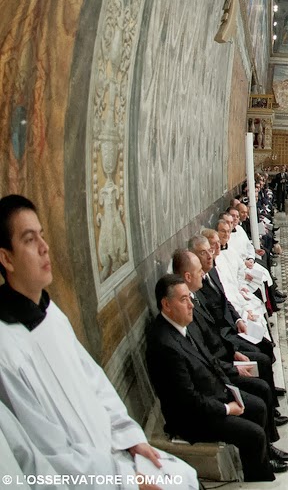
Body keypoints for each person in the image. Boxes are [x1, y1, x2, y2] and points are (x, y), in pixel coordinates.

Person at [0, 195, 199, 490]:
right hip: (88, 480)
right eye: (30, 240)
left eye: (42, 235)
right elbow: (48, 454)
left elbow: (95, 383)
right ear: (6, 258)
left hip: (114, 455)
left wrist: (130, 438)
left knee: (185, 477)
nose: (45, 247)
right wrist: (125, 481)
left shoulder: (51, 313)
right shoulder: (7, 349)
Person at [146, 275, 288, 480]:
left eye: (190, 298)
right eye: (183, 300)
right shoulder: (164, 345)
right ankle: (259, 477)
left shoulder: (185, 324)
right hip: (192, 417)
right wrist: (227, 408)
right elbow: (187, 400)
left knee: (258, 406)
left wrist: (230, 386)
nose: (191, 305)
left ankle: (265, 456)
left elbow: (209, 359)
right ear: (166, 304)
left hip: (211, 391)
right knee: (253, 434)